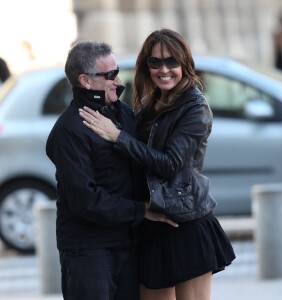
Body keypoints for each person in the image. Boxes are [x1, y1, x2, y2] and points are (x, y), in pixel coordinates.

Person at [79, 29, 236, 300]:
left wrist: (118, 137)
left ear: (184, 64)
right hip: (152, 222)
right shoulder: (152, 103)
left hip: (185, 223)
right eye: (155, 62)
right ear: (146, 65)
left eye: (172, 61)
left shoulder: (194, 107)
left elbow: (170, 164)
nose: (164, 69)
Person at [46, 40, 177, 300]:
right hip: (89, 251)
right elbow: (86, 199)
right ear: (85, 81)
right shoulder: (69, 130)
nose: (118, 82)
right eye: (111, 75)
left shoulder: (123, 114)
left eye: (117, 72)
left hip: (128, 244)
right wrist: (142, 210)